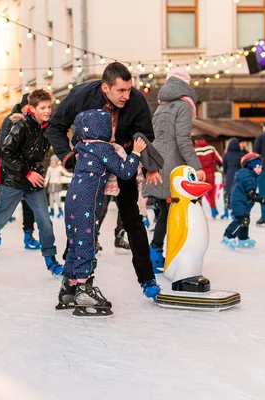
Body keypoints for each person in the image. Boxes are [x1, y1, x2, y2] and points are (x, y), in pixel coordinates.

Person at [46, 62, 161, 290]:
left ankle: (147, 279)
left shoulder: (135, 101)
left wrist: (148, 164)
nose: (127, 96)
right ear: (105, 88)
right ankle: (72, 281)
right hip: (90, 166)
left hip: (121, 160)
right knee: (85, 221)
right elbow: (55, 127)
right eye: (121, 90)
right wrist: (69, 157)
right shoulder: (81, 96)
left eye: (129, 89)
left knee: (132, 218)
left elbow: (145, 136)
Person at [57, 109, 153, 316]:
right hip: (86, 204)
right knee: (86, 242)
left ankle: (69, 287)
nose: (113, 130)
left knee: (74, 242)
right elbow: (125, 171)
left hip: (72, 202)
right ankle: (84, 289)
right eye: (110, 126)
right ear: (101, 129)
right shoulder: (103, 149)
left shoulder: (82, 147)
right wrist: (135, 152)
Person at [0, 89, 63, 282]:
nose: (47, 111)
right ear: (31, 108)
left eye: (49, 107)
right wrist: (28, 172)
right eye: (42, 108)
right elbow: (6, 154)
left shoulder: (48, 128)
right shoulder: (21, 125)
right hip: (15, 182)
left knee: (45, 221)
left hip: (34, 184)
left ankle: (51, 260)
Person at [142, 68, 203, 274]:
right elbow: (183, 139)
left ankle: (158, 253)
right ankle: (158, 254)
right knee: (169, 213)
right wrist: (196, 166)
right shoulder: (183, 106)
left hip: (156, 165)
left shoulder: (161, 107)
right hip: (171, 168)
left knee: (163, 212)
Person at [0, 93, 40, 250]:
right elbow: (4, 146)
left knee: (29, 207)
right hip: (12, 171)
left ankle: (28, 234)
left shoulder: (37, 122)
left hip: (29, 172)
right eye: (29, 105)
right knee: (5, 206)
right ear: (23, 106)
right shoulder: (10, 120)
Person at [221, 153, 265, 249]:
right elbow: (251, 192)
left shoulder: (242, 174)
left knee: (245, 220)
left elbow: (233, 189)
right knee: (241, 220)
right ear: (250, 166)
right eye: (257, 166)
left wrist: (229, 200)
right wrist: (260, 198)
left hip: (239, 202)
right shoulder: (249, 176)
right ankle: (228, 236)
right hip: (240, 203)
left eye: (261, 167)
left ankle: (243, 238)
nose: (260, 169)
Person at [194, 139, 222, 218]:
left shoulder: (194, 150)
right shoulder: (211, 148)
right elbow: (219, 160)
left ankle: (200, 212)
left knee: (199, 194)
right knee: (211, 193)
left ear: (196, 141)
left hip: (199, 174)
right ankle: (213, 211)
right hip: (210, 173)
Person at [221, 138, 243, 219]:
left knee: (228, 194)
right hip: (239, 175)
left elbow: (224, 167)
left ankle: (226, 212)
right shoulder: (241, 155)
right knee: (237, 194)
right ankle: (236, 213)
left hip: (229, 175)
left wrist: (227, 173)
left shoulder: (226, 155)